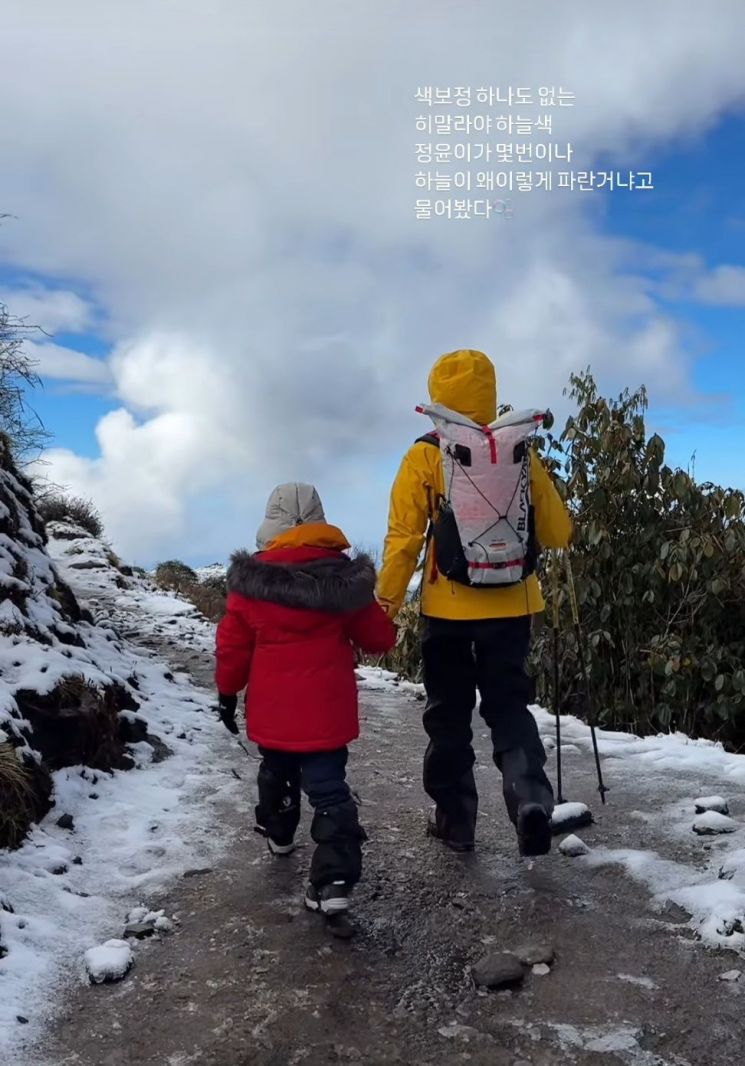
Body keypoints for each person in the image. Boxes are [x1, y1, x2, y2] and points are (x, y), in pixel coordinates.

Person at [376, 349, 572, 857]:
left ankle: (456, 821)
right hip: (512, 608)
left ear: (438, 394)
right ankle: (530, 799)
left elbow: (403, 541)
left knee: (448, 716)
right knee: (509, 706)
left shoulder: (424, 454)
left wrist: (384, 610)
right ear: (489, 393)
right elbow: (557, 532)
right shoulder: (518, 452)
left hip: (447, 613)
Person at [215, 483, 395, 920]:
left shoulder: (250, 585)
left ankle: (279, 832)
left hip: (273, 712)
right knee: (329, 788)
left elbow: (232, 647)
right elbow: (379, 640)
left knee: (276, 771)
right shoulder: (343, 581)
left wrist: (226, 694)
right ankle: (333, 880)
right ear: (319, 520)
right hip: (326, 715)